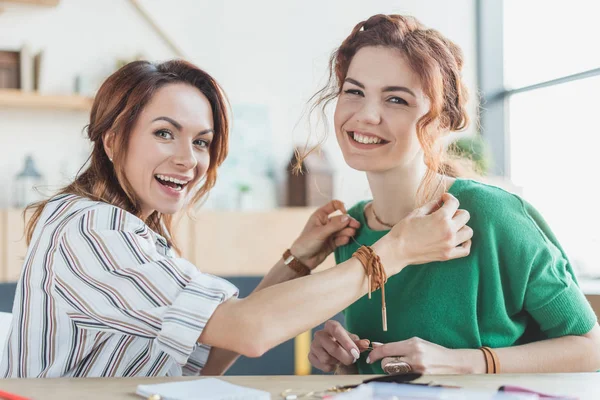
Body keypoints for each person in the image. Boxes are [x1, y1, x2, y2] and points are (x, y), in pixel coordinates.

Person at [0, 59, 472, 378]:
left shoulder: (135, 232)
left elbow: (209, 356)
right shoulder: (93, 230)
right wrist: (396, 251)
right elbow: (250, 332)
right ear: (112, 139)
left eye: (202, 142)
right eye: (165, 133)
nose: (189, 160)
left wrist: (297, 262)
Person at [307, 14, 600, 375]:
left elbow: (591, 349)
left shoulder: (492, 215)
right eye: (354, 91)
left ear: (442, 121)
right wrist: (345, 359)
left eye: (396, 99)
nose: (366, 115)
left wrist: (462, 362)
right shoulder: (351, 230)